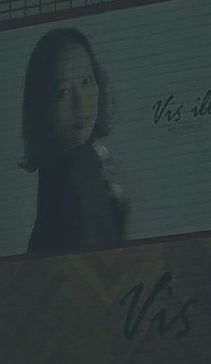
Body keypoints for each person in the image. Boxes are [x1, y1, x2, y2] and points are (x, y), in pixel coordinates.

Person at [19, 25, 132, 252]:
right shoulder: (78, 164)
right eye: (64, 92)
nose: (81, 104)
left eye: (86, 82)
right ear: (44, 106)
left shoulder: (58, 169)